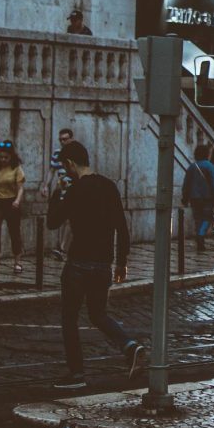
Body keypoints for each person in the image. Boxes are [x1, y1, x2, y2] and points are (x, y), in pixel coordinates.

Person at [47, 139, 146, 390]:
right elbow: (122, 229)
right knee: (98, 313)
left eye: (65, 167)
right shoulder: (109, 186)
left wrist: (57, 193)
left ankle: (76, 374)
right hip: (103, 264)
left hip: (78, 264)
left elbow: (52, 222)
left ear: (70, 164)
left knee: (69, 318)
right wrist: (121, 263)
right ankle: (129, 345)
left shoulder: (74, 190)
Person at [41, 128, 75, 260]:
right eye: (60, 139)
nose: (62, 142)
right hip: (61, 190)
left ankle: (62, 248)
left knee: (70, 220)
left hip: (73, 189)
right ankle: (62, 248)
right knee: (62, 218)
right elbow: (52, 170)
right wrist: (45, 185)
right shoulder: (57, 153)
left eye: (65, 139)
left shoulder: (76, 152)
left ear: (71, 138)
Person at [0, 140, 26, 274]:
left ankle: (18, 262)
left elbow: (21, 188)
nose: (3, 160)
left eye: (6, 157)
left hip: (12, 202)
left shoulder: (16, 169)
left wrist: (17, 201)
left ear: (11, 157)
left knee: (14, 232)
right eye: (1, 157)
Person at [182, 144, 214, 252]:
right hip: (207, 197)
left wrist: (185, 197)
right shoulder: (210, 166)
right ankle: (200, 235)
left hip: (194, 197)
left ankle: (199, 236)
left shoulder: (192, 167)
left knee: (197, 218)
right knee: (207, 218)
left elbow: (186, 184)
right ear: (207, 154)